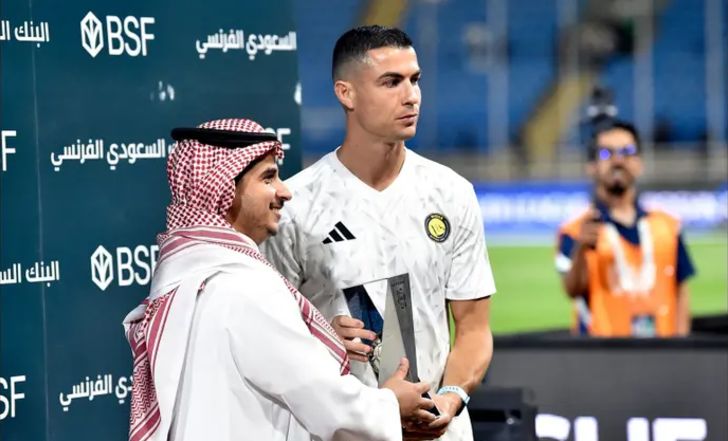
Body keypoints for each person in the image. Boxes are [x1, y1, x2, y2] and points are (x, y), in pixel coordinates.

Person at [122, 118, 437, 441]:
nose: (284, 192)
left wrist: (313, 341)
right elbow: (326, 403)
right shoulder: (246, 287)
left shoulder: (184, 272)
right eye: (268, 178)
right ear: (223, 191)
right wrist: (391, 404)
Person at [262, 26, 496, 441]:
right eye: (391, 82)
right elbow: (268, 338)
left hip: (439, 431)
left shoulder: (452, 193)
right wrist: (321, 336)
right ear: (346, 94)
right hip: (344, 432)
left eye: (415, 80)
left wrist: (450, 398)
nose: (411, 96)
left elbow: (474, 330)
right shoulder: (295, 204)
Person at [555, 119, 695, 337]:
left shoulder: (668, 225)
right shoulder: (575, 230)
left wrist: (683, 347)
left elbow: (681, 292)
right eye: (606, 153)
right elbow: (572, 291)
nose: (618, 160)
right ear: (591, 166)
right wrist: (581, 248)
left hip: (663, 352)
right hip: (601, 353)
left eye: (627, 152)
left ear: (639, 163)